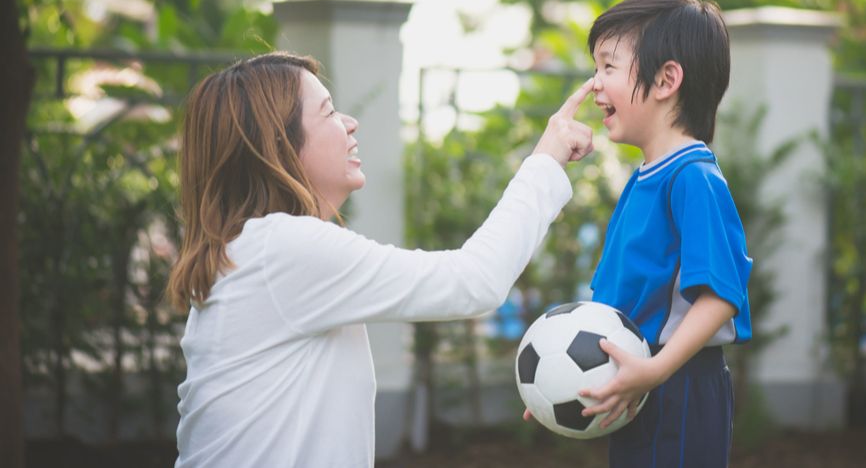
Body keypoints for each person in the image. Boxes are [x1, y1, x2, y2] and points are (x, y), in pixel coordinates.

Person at [166, 51, 595, 468]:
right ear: (278, 141)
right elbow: (473, 282)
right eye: (329, 112)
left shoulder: (256, 249)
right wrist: (547, 159)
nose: (350, 124)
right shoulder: (283, 249)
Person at [578, 0, 752, 467]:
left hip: (679, 384)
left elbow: (719, 298)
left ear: (665, 79)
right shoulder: (645, 179)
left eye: (608, 67)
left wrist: (654, 371)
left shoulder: (693, 178)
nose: (594, 84)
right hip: (644, 377)